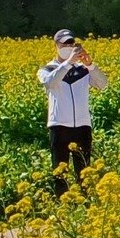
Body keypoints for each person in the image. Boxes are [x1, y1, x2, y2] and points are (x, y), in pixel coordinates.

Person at [37, 29, 108, 195]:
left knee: (84, 169)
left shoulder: (83, 70)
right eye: (65, 43)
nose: (69, 46)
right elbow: (50, 82)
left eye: (71, 43)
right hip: (59, 125)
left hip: (83, 125)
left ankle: (85, 202)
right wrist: (68, 62)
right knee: (60, 170)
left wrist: (90, 64)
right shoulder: (47, 69)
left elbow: (102, 84)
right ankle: (63, 203)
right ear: (56, 45)